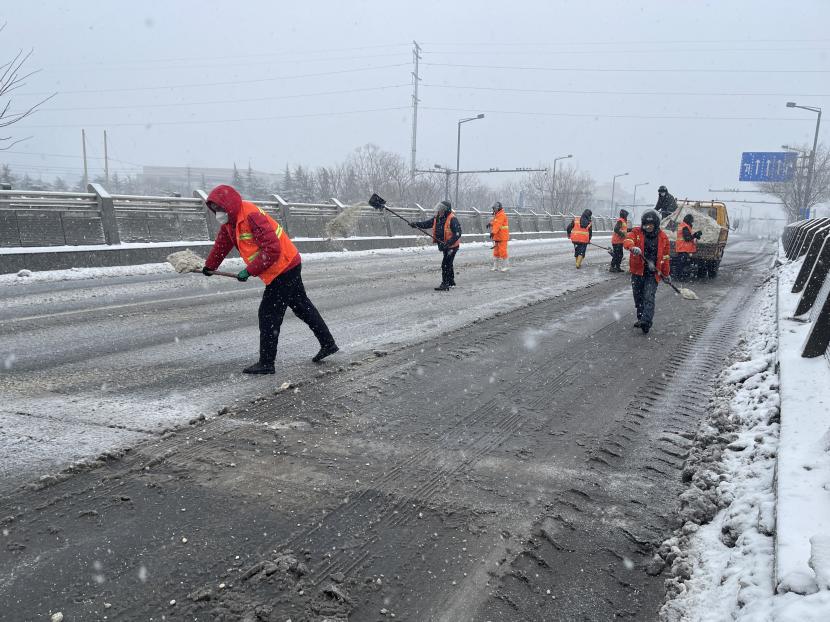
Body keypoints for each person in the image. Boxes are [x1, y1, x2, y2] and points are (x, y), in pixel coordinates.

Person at [202, 184, 338, 374]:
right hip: (287, 264)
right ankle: (328, 343)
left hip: (283, 267)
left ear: (229, 205)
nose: (218, 213)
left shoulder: (251, 216)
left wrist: (249, 271)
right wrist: (210, 266)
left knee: (268, 314)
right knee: (302, 306)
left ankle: (266, 363)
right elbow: (222, 244)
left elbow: (272, 249)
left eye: (220, 208)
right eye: (214, 209)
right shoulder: (231, 222)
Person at [623, 210, 671, 334]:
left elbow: (665, 258)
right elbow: (628, 240)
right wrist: (632, 247)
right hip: (637, 271)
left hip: (652, 273)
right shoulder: (636, 232)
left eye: (651, 225)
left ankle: (646, 320)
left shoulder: (663, 238)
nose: (648, 227)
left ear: (656, 224)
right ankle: (641, 318)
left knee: (648, 297)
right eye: (646, 225)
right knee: (638, 297)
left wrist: (666, 274)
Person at [411, 200, 462, 291]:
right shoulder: (437, 218)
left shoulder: (452, 219)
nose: (439, 211)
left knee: (445, 264)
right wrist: (416, 224)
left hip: (452, 246)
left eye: (441, 209)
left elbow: (457, 233)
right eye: (439, 209)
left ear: (446, 210)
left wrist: (449, 242)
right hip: (444, 245)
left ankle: (445, 284)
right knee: (448, 263)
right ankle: (451, 282)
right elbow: (426, 224)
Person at [675, 213, 703, 280]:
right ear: (689, 220)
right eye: (691, 221)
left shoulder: (683, 225)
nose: (691, 222)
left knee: (681, 263)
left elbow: (687, 236)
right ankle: (680, 277)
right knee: (683, 264)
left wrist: (695, 235)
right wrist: (695, 235)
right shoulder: (685, 227)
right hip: (683, 248)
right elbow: (687, 238)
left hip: (681, 248)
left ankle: (680, 276)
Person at [488, 201, 510, 272]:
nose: (493, 210)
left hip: (502, 237)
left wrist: (493, 232)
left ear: (498, 208)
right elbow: (495, 222)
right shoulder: (498, 214)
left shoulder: (501, 215)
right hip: (498, 237)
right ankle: (496, 267)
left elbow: (498, 225)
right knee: (496, 253)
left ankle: (506, 266)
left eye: (494, 208)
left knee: (503, 252)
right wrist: (490, 224)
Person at [609, 208, 629, 273]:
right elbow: (616, 229)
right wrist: (622, 234)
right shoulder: (620, 221)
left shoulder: (623, 221)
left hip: (620, 241)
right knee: (617, 255)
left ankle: (617, 267)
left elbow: (624, 230)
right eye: (626, 215)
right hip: (616, 241)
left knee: (620, 255)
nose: (627, 216)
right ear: (624, 215)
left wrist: (631, 230)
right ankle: (612, 267)